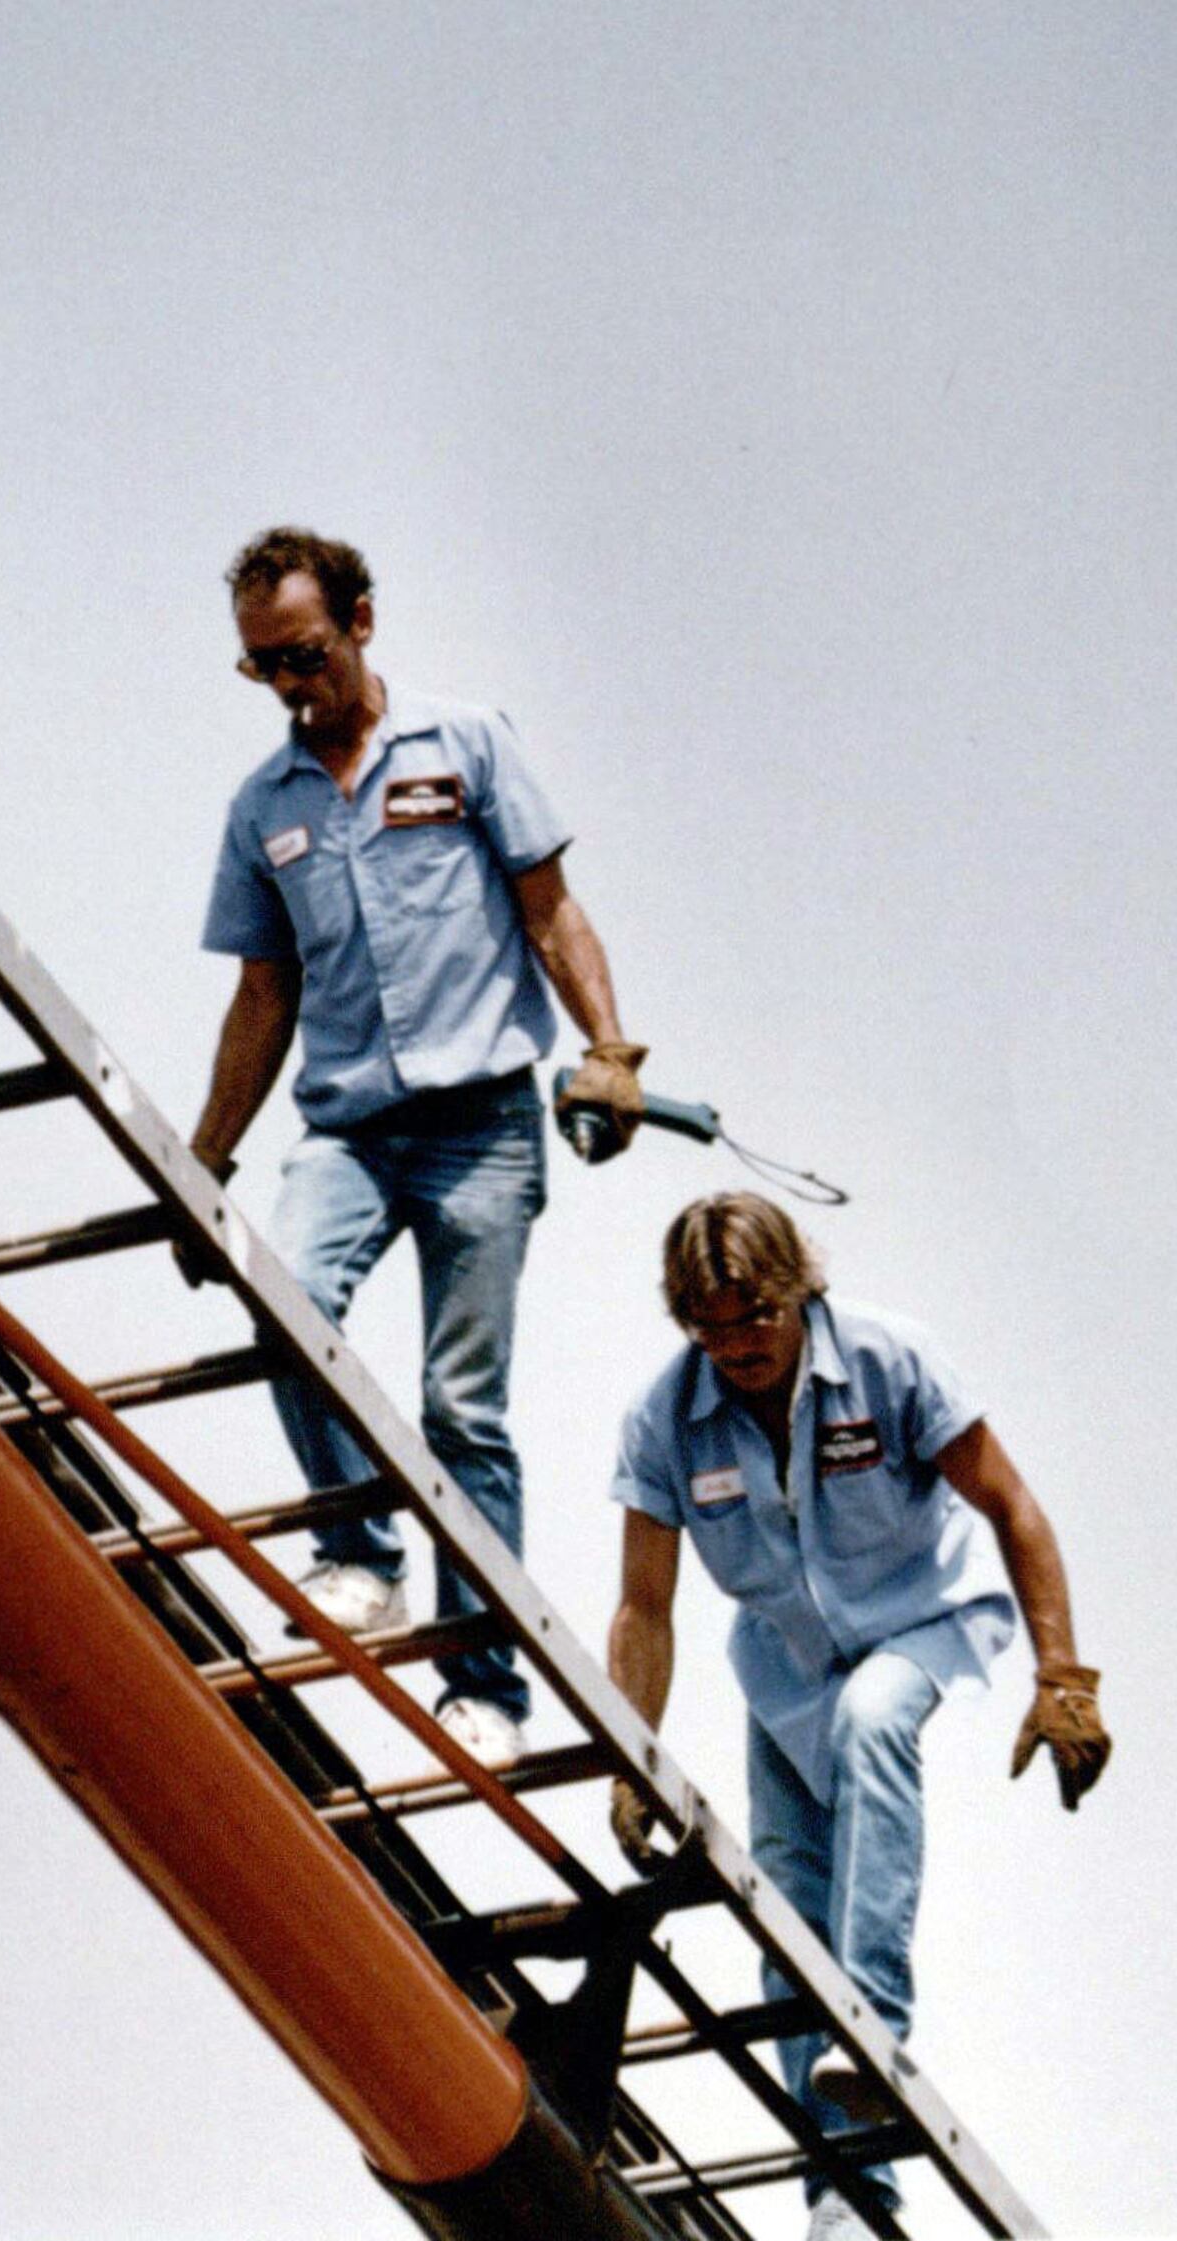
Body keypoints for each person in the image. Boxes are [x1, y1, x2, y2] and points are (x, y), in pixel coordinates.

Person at [188, 526, 642, 1766]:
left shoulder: (467, 745)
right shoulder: (262, 809)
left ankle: (484, 1683)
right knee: (281, 1292)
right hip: (348, 1128)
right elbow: (262, 996)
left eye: (305, 654)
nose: (290, 684)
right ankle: (359, 1554)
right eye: (262, 667)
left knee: (462, 1409)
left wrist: (609, 1045)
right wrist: (207, 1156)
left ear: (364, 622)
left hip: (481, 1126)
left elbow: (550, 909)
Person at [607, 1192, 1105, 2240]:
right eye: (712, 1323)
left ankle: (873, 2018)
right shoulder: (666, 1415)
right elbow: (646, 1603)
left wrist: (1063, 1673)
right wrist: (628, 1752)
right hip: (785, 1668)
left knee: (876, 1718)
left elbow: (1013, 1506)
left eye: (756, 1317)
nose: (737, 1343)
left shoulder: (888, 1358)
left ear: (798, 1292)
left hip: (916, 1621)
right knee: (785, 1908)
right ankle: (846, 2193)